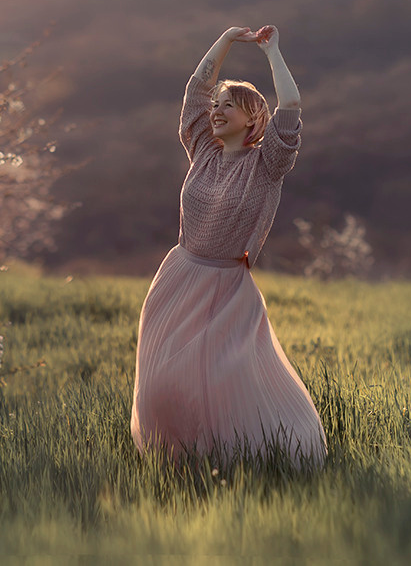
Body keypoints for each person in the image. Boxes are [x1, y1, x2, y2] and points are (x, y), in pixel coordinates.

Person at [130, 25, 328, 468]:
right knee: (162, 380)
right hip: (179, 277)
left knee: (223, 382)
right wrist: (225, 41)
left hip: (227, 288)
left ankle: (238, 460)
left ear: (253, 117)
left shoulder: (268, 164)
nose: (216, 112)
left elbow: (291, 106)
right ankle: (177, 463)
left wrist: (272, 50)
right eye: (216, 106)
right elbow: (195, 89)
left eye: (228, 106)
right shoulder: (202, 149)